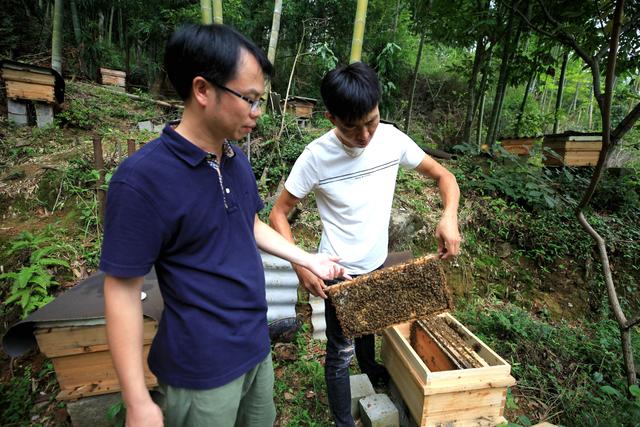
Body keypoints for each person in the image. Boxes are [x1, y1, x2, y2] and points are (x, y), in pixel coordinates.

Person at [100, 24, 347, 427]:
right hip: (201, 372)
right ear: (202, 90)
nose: (258, 113)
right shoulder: (142, 180)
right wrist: (137, 400)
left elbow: (247, 223)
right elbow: (122, 290)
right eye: (249, 99)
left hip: (255, 347)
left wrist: (307, 258)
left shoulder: (234, 159)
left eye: (260, 100)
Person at [269, 61, 461, 427]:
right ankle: (343, 421)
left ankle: (371, 368)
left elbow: (444, 175)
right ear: (330, 118)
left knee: (370, 324)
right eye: (351, 128)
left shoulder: (391, 139)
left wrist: (448, 214)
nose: (365, 136)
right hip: (337, 273)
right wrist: (302, 265)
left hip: (376, 261)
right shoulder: (314, 157)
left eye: (371, 121)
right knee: (339, 353)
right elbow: (279, 214)